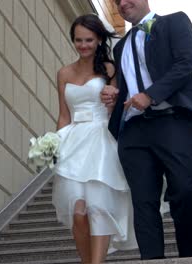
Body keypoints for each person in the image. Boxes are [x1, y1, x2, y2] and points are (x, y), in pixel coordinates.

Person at [101, 0, 192, 260]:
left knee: (185, 190)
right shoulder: (120, 46)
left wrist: (150, 95)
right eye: (117, 1)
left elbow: (186, 64)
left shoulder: (174, 21)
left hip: (172, 121)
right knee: (143, 203)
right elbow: (129, 84)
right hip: (133, 130)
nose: (123, 4)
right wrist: (115, 93)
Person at [52, 14, 137, 264]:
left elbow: (120, 107)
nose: (83, 45)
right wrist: (54, 146)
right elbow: (63, 115)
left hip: (101, 140)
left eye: (89, 40)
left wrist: (114, 94)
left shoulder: (110, 68)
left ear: (99, 39)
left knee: (98, 208)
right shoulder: (64, 73)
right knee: (78, 211)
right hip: (72, 143)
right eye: (78, 40)